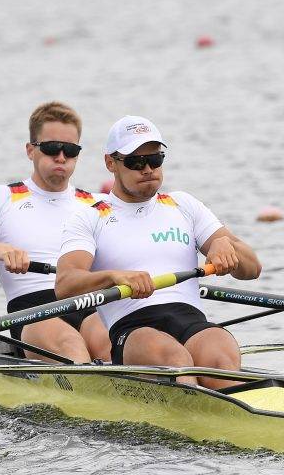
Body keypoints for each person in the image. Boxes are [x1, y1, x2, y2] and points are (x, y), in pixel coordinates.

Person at [55, 115, 261, 389]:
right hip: (132, 327)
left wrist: (228, 247)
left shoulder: (183, 205)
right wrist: (115, 277)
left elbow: (253, 269)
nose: (148, 169)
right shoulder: (90, 218)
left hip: (188, 319)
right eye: (136, 162)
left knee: (221, 353)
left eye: (155, 159)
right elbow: (65, 283)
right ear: (110, 163)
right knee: (174, 360)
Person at [0, 101, 111, 363]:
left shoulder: (97, 204)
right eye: (52, 148)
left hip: (90, 304)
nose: (61, 157)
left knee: (112, 344)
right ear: (30, 150)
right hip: (33, 312)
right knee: (70, 345)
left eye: (71, 150)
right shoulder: (1, 198)